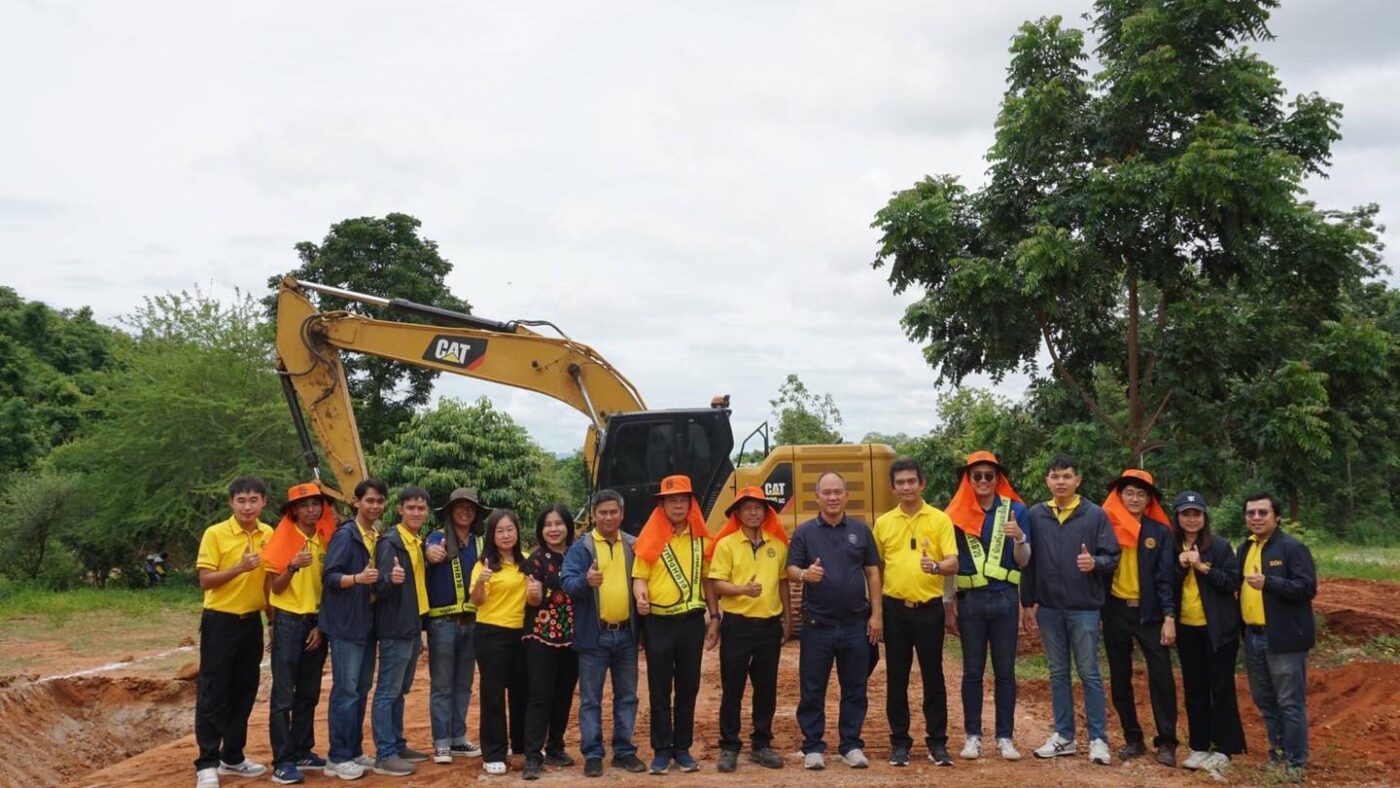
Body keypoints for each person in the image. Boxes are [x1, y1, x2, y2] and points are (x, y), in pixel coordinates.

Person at [1021, 454, 1119, 766]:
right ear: (1047, 481)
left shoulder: (1095, 515)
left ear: (1078, 480)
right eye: (1055, 476)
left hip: (1084, 609)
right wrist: (1027, 603)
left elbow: (1112, 556)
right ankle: (1064, 736)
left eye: (1066, 476)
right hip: (1049, 608)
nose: (1061, 482)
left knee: (1089, 673)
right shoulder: (1037, 515)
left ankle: (1098, 739)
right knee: (1058, 673)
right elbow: (1028, 562)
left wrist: (1095, 563)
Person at [785, 470, 883, 771]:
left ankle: (851, 745)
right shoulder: (804, 532)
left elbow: (872, 572)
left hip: (855, 625)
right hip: (817, 626)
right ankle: (813, 746)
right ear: (817, 497)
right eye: (826, 492)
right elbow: (791, 569)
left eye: (837, 492)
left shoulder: (860, 530)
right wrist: (805, 574)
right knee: (812, 689)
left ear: (846, 496)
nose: (832, 497)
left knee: (855, 688)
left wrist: (876, 614)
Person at [944, 450, 1031, 761]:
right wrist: (947, 605)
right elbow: (950, 563)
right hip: (970, 601)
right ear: (968, 479)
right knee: (972, 672)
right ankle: (973, 736)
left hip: (1005, 598)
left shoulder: (1016, 511)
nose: (983, 481)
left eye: (989, 476)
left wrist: (1019, 538)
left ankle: (1005, 737)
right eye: (977, 476)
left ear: (997, 479)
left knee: (1005, 672)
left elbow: (1024, 561)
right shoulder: (954, 514)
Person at [872, 458, 958, 767]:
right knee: (897, 677)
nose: (906, 487)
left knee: (933, 676)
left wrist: (935, 566)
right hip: (895, 609)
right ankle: (900, 743)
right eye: (901, 482)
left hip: (929, 609)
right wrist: (876, 611)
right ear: (892, 488)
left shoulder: (939, 519)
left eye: (912, 481)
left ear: (922, 484)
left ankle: (937, 743)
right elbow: (875, 568)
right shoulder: (883, 523)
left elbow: (953, 562)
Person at [631, 474, 717, 774]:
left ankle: (682, 748)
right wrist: (641, 597)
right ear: (662, 505)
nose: (678, 505)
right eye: (672, 500)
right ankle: (661, 750)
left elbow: (708, 581)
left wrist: (715, 617)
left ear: (691, 504)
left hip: (691, 623)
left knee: (688, 687)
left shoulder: (702, 539)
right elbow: (639, 577)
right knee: (659, 688)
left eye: (683, 500)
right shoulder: (650, 538)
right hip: (658, 622)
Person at [193, 476, 275, 788]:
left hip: (251, 623)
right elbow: (206, 580)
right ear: (231, 503)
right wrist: (239, 568)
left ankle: (233, 756)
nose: (247, 506)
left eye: (253, 500)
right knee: (214, 691)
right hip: (220, 622)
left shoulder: (269, 534)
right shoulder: (215, 534)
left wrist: (272, 622)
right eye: (241, 500)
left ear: (264, 502)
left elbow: (268, 582)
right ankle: (207, 762)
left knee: (244, 690)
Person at [560, 490, 647, 778]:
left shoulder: (633, 545)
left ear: (622, 514)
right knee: (590, 699)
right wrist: (586, 581)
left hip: (626, 634)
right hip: (593, 636)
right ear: (594, 515)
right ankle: (593, 754)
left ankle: (624, 751)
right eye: (602, 513)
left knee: (627, 697)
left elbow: (645, 579)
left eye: (613, 512)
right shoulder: (581, 548)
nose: (608, 517)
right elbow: (567, 584)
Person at [706, 486, 791, 772]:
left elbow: (783, 582)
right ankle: (729, 746)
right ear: (738, 514)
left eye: (758, 508)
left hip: (769, 626)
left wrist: (788, 617)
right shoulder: (726, 545)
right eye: (747, 508)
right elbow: (716, 583)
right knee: (733, 688)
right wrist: (742, 589)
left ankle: (761, 744)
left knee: (766, 688)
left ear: (766, 512)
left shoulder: (777, 545)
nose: (753, 513)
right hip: (737, 625)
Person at [262, 482, 339, 785]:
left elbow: (328, 586)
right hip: (289, 621)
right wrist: (292, 567)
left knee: (309, 690)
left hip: (316, 621)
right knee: (284, 693)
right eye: (304, 505)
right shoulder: (283, 540)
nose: (311, 510)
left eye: (316, 504)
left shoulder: (323, 538)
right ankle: (282, 760)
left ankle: (302, 749)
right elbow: (275, 589)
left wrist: (321, 624)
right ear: (293, 510)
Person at [1100, 469, 1179, 766]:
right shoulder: (1107, 527)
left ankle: (1167, 741)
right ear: (1119, 495)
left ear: (1149, 500)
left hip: (1151, 614)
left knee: (1162, 677)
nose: (1134, 499)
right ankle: (1133, 738)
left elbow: (1165, 578)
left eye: (1141, 494)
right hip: (1115, 611)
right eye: (1129, 493)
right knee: (1120, 677)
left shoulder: (1159, 532)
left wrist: (1169, 616)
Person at [1239, 491, 1316, 781]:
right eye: (1251, 513)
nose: (1256, 517)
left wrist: (1269, 582)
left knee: (1289, 703)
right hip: (1253, 636)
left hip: (1284, 638)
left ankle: (1295, 764)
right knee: (1266, 702)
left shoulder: (1292, 548)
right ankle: (1278, 756)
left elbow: (1307, 587)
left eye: (1263, 512)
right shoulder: (1246, 548)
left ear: (1277, 516)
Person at [1170, 491, 1245, 775]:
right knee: (1194, 688)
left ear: (1204, 517)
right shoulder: (1171, 547)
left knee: (1221, 687)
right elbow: (1165, 582)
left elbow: (1232, 581)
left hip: (1219, 630)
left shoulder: (1220, 546)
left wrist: (1203, 567)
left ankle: (1225, 749)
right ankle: (1199, 745)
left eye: (1196, 514)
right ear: (1177, 517)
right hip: (1186, 628)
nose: (1191, 519)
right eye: (1186, 514)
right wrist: (1180, 566)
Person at [321, 478, 387, 780]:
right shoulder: (346, 535)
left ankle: (355, 750)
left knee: (360, 689)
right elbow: (330, 577)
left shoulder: (376, 535)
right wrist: (357, 579)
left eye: (379, 501)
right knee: (346, 690)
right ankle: (338, 756)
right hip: (347, 625)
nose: (374, 506)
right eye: (369, 500)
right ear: (356, 503)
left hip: (367, 623)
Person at [369, 487, 433, 777]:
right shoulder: (390, 543)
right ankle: (385, 754)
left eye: (421, 508)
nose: (416, 512)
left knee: (400, 691)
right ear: (400, 510)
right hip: (395, 627)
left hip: (412, 625)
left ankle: (396, 744)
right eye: (411, 508)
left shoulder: (416, 542)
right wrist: (389, 579)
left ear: (427, 512)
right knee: (387, 691)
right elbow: (377, 587)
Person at [423, 488, 488, 764]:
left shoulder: (481, 543)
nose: (465, 511)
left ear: (476, 513)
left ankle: (458, 737)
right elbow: (427, 552)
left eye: (470, 507)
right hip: (443, 623)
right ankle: (441, 742)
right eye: (459, 506)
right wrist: (429, 553)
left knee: (464, 683)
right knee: (442, 685)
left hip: (472, 622)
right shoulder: (436, 538)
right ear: (450, 511)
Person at [521, 505, 580, 780]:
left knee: (564, 693)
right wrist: (534, 593)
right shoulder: (535, 559)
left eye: (558, 523)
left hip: (573, 636)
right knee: (540, 695)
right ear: (541, 530)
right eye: (548, 525)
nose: (554, 529)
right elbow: (532, 599)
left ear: (568, 526)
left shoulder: (579, 555)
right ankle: (533, 756)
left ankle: (556, 746)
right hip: (541, 635)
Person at [471, 509, 531, 776]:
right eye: (499, 531)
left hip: (522, 634)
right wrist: (481, 582)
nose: (506, 535)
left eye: (510, 529)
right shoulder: (484, 564)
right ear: (491, 536)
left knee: (521, 693)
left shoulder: (526, 561)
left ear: (517, 531)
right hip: (491, 633)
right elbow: (477, 601)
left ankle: (521, 748)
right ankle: (494, 752)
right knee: (493, 694)